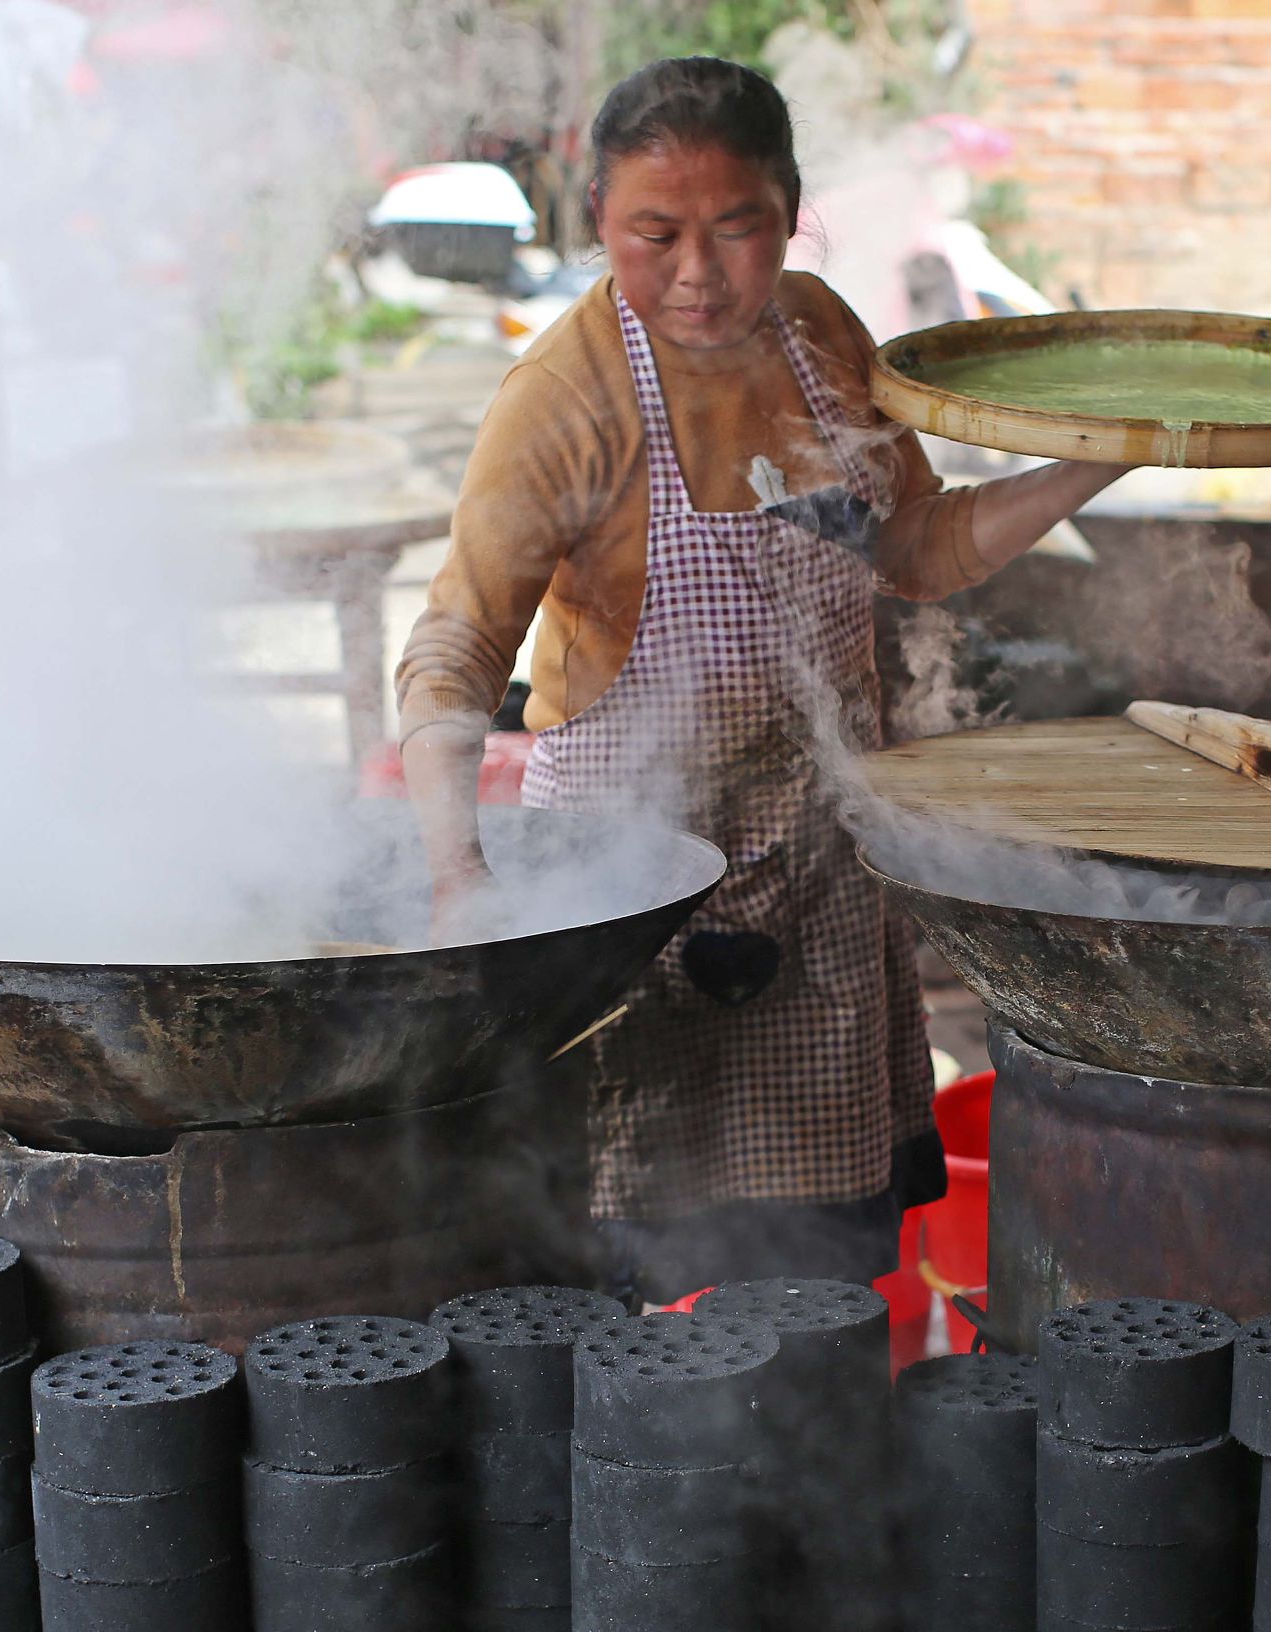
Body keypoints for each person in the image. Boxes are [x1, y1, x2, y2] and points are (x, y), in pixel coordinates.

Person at [394, 56, 1129, 1304]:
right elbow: (455, 648)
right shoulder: (565, 399)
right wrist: (459, 873)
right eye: (652, 234)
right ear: (597, 228)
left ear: (788, 212)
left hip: (823, 875)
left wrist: (1096, 458)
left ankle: (819, 1485)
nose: (697, 271)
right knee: (631, 1275)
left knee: (822, 1283)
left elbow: (915, 547)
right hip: (638, 889)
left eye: (735, 228)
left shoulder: (822, 335)